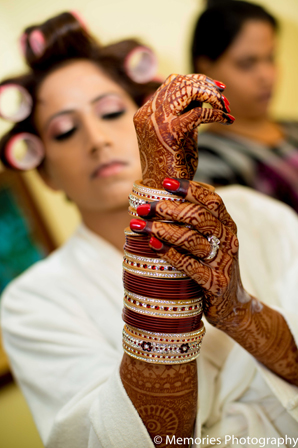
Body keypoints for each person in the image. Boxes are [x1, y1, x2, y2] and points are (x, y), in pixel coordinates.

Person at [0, 11, 297, 448]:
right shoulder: (32, 303)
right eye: (64, 132)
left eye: (112, 112)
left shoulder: (254, 212)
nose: (97, 139)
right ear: (45, 174)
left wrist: (238, 309)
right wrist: (159, 260)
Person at [191, 0, 298, 213]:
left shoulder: (293, 129)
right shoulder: (206, 163)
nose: (266, 76)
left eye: (270, 58)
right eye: (247, 63)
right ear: (206, 70)